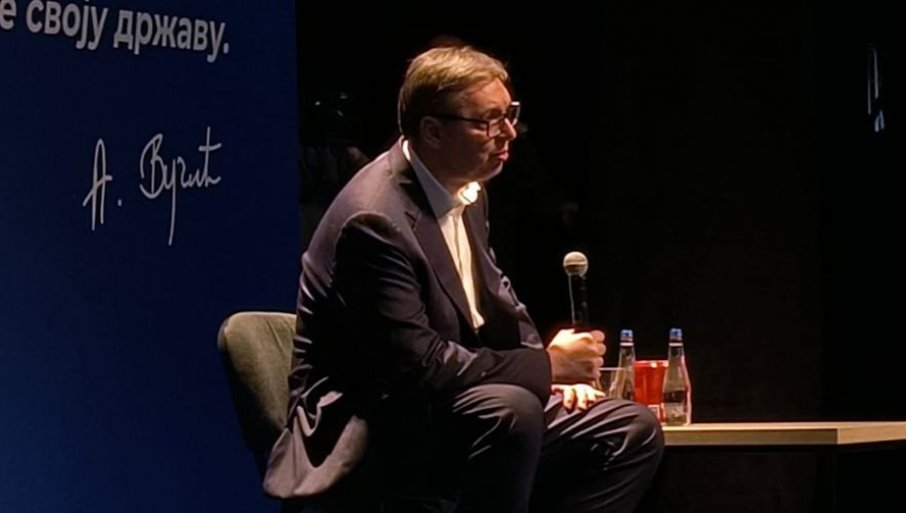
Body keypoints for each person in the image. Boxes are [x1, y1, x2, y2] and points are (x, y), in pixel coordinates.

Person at [264, 45, 663, 513]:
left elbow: (497, 300)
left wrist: (552, 374)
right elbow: (418, 367)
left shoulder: (466, 190)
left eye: (510, 114)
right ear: (433, 131)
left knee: (629, 431)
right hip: (371, 422)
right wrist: (545, 367)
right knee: (511, 412)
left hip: (450, 403)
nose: (508, 132)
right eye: (488, 121)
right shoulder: (374, 220)